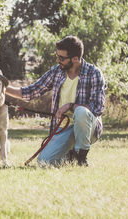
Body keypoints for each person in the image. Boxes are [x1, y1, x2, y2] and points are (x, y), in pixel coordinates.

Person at [6, 36, 106, 166]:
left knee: (81, 111)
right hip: (63, 128)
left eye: (61, 58)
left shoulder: (94, 73)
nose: (57, 60)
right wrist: (3, 88)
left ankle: (81, 157)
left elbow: (97, 108)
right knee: (44, 162)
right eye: (57, 56)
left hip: (88, 127)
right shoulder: (56, 72)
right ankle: (69, 154)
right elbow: (31, 91)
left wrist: (70, 106)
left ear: (75, 59)